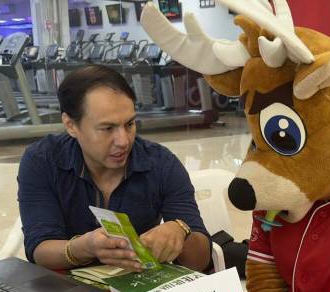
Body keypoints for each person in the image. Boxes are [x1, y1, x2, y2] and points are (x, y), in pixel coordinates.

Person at [18, 65, 211, 272]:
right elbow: (39, 250)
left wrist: (180, 231)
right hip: (66, 289)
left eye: (129, 124)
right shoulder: (43, 161)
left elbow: (200, 260)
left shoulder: (161, 164)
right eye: (107, 128)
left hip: (138, 287)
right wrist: (84, 247)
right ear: (71, 125)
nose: (123, 141)